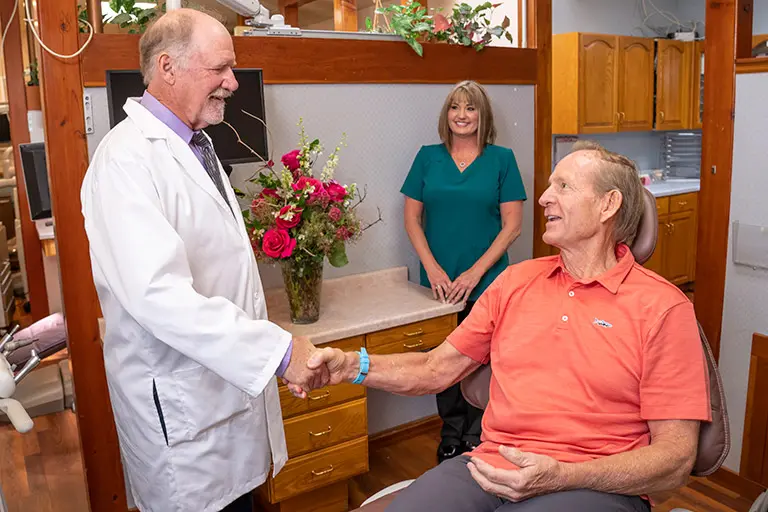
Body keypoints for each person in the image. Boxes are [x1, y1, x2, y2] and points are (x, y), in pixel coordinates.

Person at [302, 142, 711, 511]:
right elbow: (434, 368)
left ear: (608, 205)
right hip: (490, 466)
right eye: (550, 186)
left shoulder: (663, 306)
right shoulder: (516, 281)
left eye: (564, 187)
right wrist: (349, 366)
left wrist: (565, 475)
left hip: (593, 485)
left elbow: (675, 460)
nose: (545, 198)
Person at [80, 9, 329, 512]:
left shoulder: (198, 145)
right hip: (184, 418)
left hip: (222, 398)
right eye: (220, 69)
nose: (232, 83)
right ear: (167, 67)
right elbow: (160, 296)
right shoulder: (126, 160)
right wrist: (280, 354)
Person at [400, 80, 526, 463]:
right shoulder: (427, 157)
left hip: (487, 281)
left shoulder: (502, 159)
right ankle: (451, 434)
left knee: (483, 361)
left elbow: (512, 227)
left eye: (470, 108)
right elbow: (411, 220)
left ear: (481, 115)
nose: (462, 115)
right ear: (446, 115)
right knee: (443, 359)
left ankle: (478, 435)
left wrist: (474, 274)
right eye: (455, 107)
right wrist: (433, 270)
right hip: (439, 284)